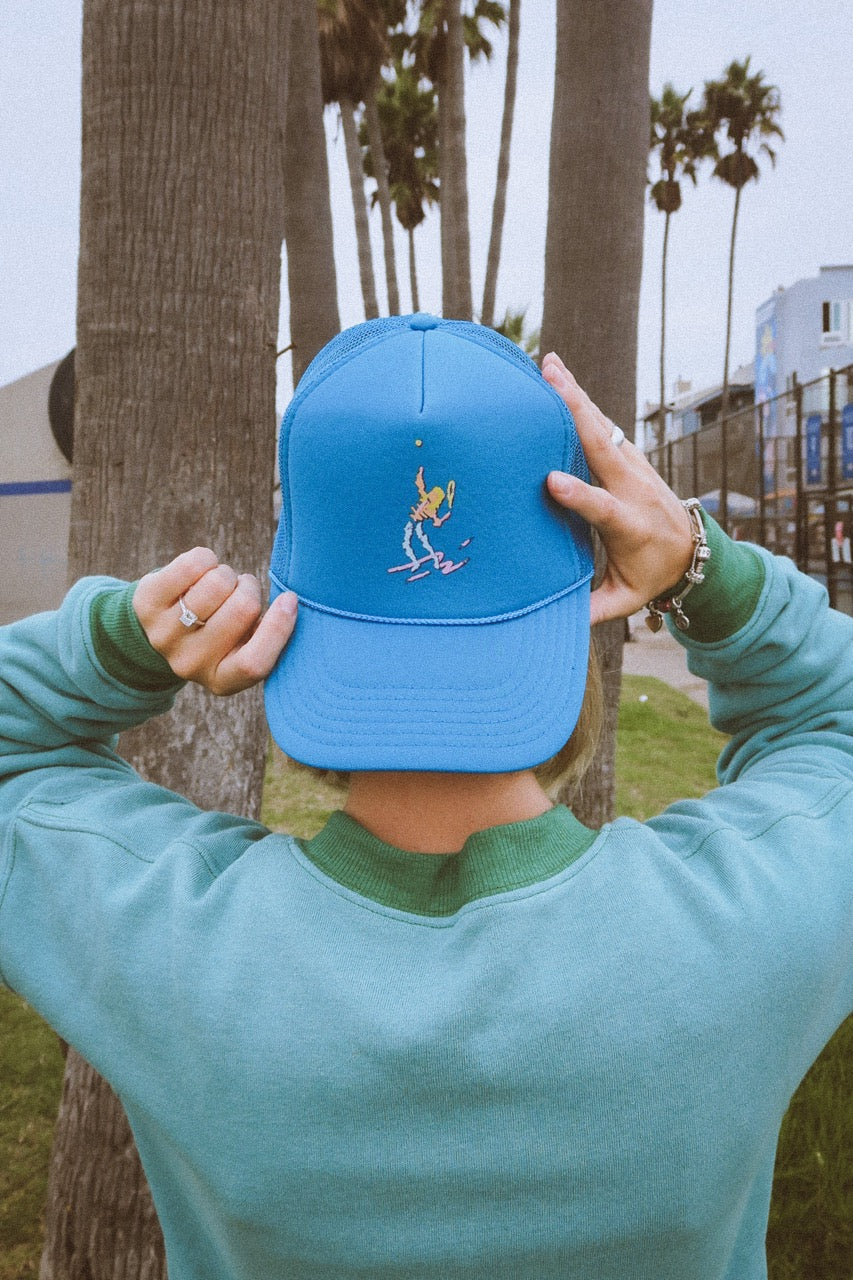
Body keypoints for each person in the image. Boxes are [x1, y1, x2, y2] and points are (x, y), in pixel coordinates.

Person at [1, 316, 851, 1280]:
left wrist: (120, 642)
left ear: (291, 619)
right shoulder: (747, 924)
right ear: (581, 606)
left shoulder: (162, 939)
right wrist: (703, 569)